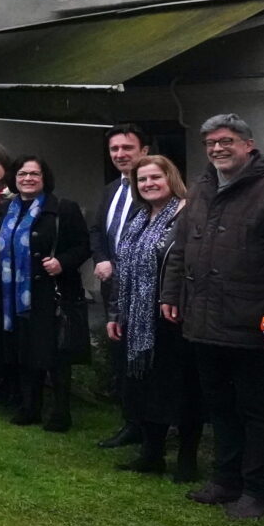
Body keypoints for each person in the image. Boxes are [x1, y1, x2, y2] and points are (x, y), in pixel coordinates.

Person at [161, 114, 264, 519]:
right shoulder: (202, 188)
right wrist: (171, 293)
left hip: (251, 321)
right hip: (202, 320)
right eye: (211, 143)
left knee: (255, 408)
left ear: (249, 145)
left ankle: (257, 490)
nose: (217, 149)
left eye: (226, 141)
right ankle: (225, 480)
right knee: (220, 405)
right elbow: (181, 248)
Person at [107, 154, 203, 481]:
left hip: (173, 318)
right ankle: (152, 454)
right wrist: (115, 312)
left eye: (155, 177)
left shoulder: (187, 215)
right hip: (136, 318)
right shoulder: (139, 216)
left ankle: (187, 461)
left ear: (170, 178)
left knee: (182, 390)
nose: (148, 184)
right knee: (144, 388)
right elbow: (122, 267)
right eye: (142, 179)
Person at [0, 157, 91, 431]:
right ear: (14, 178)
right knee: (25, 352)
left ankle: (61, 413)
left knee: (55, 354)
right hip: (15, 294)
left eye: (34, 174)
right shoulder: (5, 210)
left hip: (51, 292)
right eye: (22, 173)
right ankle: (30, 408)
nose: (28, 178)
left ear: (44, 178)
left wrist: (62, 262)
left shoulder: (63, 209)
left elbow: (83, 246)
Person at [89, 124, 149, 450]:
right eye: (114, 149)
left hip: (143, 290)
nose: (120, 154)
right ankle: (131, 422)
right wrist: (101, 259)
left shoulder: (155, 189)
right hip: (112, 288)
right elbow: (97, 230)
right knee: (121, 358)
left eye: (127, 148)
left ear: (144, 151)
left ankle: (150, 426)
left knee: (142, 359)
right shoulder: (111, 189)